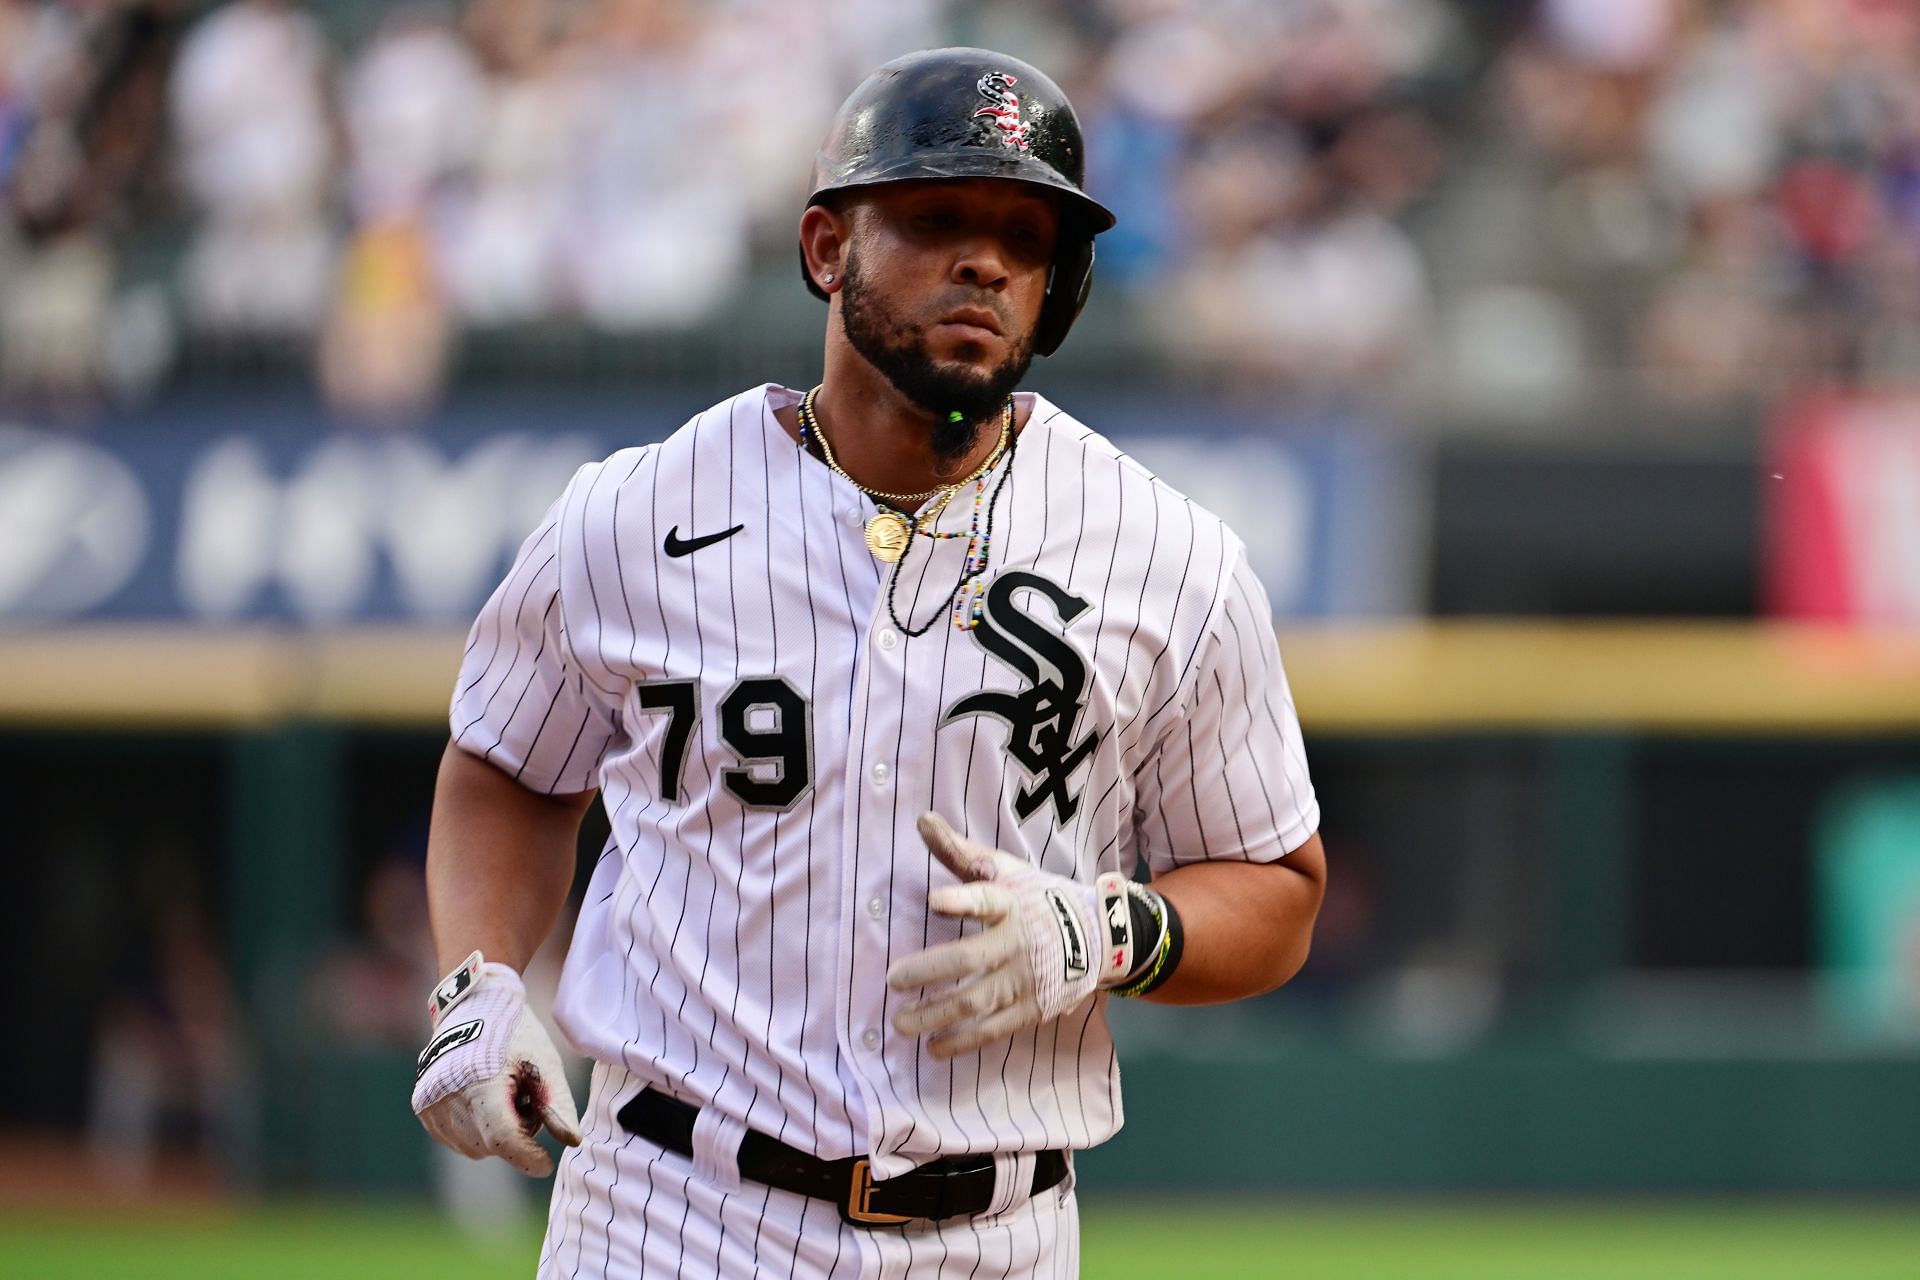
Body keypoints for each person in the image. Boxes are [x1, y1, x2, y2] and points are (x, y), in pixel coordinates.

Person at [410, 47, 1326, 1278]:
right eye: (937, 216)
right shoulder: (634, 514)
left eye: (1026, 234)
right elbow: (511, 768)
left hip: (997, 1232)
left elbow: (1275, 885)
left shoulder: (1172, 557)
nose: (986, 261)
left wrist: (1112, 930)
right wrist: (481, 975)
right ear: (829, 247)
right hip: (671, 1210)